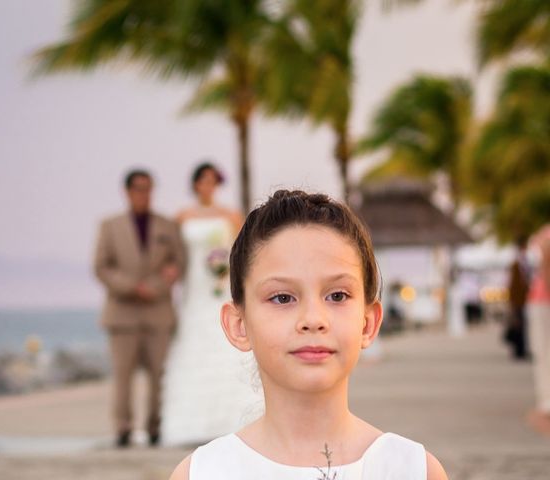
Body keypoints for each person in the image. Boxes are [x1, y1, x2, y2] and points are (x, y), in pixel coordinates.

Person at [169, 190, 448, 479]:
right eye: (282, 298)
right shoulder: (203, 472)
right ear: (238, 324)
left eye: (337, 295)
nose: (313, 320)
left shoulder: (413, 469)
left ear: (368, 323)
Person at [160, 162, 262, 446]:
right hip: (194, 288)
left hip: (220, 285)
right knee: (193, 344)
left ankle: (234, 421)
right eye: (203, 180)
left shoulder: (229, 215)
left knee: (226, 346)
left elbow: (245, 250)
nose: (208, 185)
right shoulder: (182, 217)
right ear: (195, 184)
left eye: (213, 181)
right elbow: (171, 254)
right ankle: (190, 423)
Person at [94, 169, 186, 447]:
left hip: (158, 313)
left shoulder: (167, 226)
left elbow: (179, 264)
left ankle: (155, 427)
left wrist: (156, 286)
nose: (143, 193)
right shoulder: (109, 226)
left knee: (160, 375)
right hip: (122, 314)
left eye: (148, 188)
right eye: (137, 188)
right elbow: (101, 267)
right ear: (127, 191)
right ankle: (123, 428)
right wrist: (133, 286)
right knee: (123, 376)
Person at [526, 225, 550, 434]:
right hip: (541, 300)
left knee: (544, 353)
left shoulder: (544, 236)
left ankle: (546, 403)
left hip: (543, 301)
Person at [505, 237, 530, 359]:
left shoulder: (522, 262)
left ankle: (521, 349)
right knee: (518, 324)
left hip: (522, 300)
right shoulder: (516, 263)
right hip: (518, 300)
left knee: (521, 325)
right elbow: (513, 284)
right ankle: (518, 350)